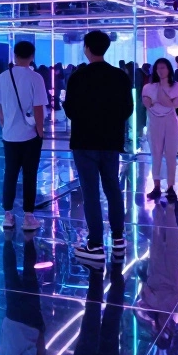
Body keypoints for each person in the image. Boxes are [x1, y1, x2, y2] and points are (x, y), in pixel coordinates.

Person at [62, 31, 134, 264]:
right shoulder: (119, 76)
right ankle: (119, 238)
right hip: (110, 141)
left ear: (86, 48)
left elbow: (70, 110)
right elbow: (128, 109)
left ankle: (95, 244)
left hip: (84, 141)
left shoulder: (78, 76)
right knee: (113, 188)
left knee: (90, 192)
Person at [0, 40, 46, 231]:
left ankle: (7, 215)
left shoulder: (2, 78)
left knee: (10, 174)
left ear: (14, 55)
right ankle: (28, 217)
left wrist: (4, 124)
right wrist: (40, 131)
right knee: (30, 175)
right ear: (32, 56)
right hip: (30, 136)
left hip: (9, 136)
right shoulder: (36, 78)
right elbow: (38, 108)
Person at [143, 58, 178, 204]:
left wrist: (159, 99)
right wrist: (163, 100)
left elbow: (174, 104)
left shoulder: (177, 87)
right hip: (154, 123)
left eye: (163, 68)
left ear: (169, 69)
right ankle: (157, 186)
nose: (160, 71)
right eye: (158, 68)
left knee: (171, 154)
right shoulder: (148, 87)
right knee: (156, 154)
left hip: (171, 123)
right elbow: (147, 103)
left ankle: (171, 186)